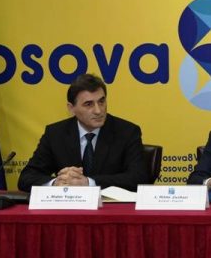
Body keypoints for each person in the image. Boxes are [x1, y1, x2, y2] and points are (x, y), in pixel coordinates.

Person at [18, 73, 147, 191]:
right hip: (69, 207)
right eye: (88, 104)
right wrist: (56, 183)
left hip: (110, 207)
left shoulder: (127, 132)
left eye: (101, 101)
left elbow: (139, 178)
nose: (98, 110)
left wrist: (88, 183)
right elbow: (27, 177)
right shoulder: (55, 134)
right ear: (71, 108)